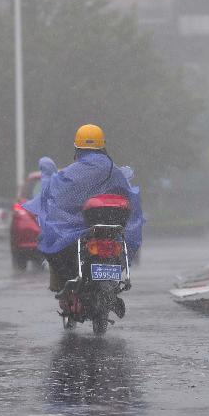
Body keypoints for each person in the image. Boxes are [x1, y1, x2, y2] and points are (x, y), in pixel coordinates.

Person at [23, 124, 144, 299]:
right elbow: (128, 196)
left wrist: (48, 175)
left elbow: (55, 194)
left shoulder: (72, 173)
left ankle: (64, 286)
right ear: (103, 145)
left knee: (50, 244)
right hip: (110, 230)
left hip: (80, 234)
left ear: (77, 147)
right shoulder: (113, 171)